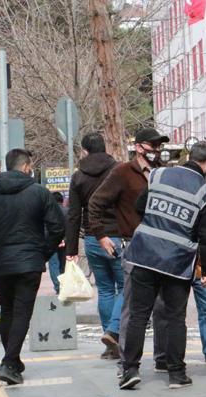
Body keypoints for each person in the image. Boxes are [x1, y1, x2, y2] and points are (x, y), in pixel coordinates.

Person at [118, 141, 206, 390]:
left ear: (189, 156)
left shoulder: (158, 174)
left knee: (139, 315)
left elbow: (140, 207)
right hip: (177, 262)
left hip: (143, 254)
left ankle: (129, 370)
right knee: (175, 317)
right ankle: (176, 373)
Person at [0, 149, 65, 385]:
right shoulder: (39, 193)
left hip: (1, 263)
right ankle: (9, 362)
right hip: (29, 262)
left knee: (7, 310)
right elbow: (58, 227)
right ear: (26, 166)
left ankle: (13, 361)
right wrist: (43, 253)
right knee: (22, 312)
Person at [89, 128, 170, 372]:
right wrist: (101, 236)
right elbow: (95, 203)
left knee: (163, 305)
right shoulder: (123, 172)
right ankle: (127, 361)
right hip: (134, 246)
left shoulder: (163, 174)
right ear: (139, 147)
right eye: (152, 145)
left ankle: (164, 358)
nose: (156, 150)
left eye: (159, 146)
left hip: (163, 247)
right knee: (132, 306)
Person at [65, 132, 125, 359]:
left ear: (85, 151)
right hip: (118, 237)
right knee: (126, 286)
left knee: (106, 289)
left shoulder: (79, 177)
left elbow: (73, 215)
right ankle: (114, 332)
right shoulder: (118, 170)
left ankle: (111, 343)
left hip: (92, 239)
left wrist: (71, 250)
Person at [47, 192, 68, 294]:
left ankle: (58, 286)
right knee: (63, 265)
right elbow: (71, 227)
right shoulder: (68, 211)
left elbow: (45, 228)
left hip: (52, 242)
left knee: (53, 265)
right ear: (62, 200)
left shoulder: (47, 211)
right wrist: (64, 239)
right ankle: (64, 285)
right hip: (65, 242)